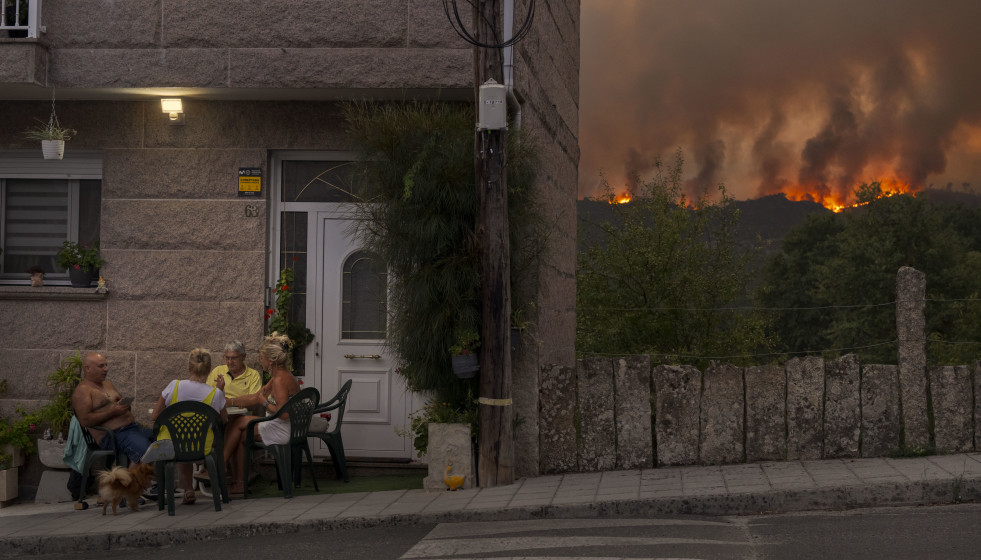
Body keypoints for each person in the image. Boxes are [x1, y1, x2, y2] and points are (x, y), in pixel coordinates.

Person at [70, 351, 156, 503]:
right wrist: (112, 412)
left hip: (132, 429)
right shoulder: (82, 391)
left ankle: (146, 486)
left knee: (162, 440)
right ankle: (126, 492)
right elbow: (85, 420)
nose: (106, 369)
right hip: (112, 435)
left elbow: (118, 403)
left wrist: (124, 406)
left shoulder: (108, 385)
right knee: (145, 451)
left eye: (106, 365)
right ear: (87, 368)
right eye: (101, 366)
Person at [223, 332, 301, 495]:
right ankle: (237, 481)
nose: (260, 360)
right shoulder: (280, 375)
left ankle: (221, 467)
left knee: (237, 423)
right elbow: (255, 397)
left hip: (282, 429)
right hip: (286, 426)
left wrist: (264, 403)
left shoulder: (279, 381)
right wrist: (229, 401)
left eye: (261, 357)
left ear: (271, 361)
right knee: (240, 433)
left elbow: (283, 414)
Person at [149, 348, 228, 505]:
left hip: (172, 445)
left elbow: (155, 416)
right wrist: (220, 391)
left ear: (189, 367)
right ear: (209, 369)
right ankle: (197, 484)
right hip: (201, 446)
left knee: (181, 440)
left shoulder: (174, 386)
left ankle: (188, 489)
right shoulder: (216, 394)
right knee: (190, 442)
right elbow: (224, 420)